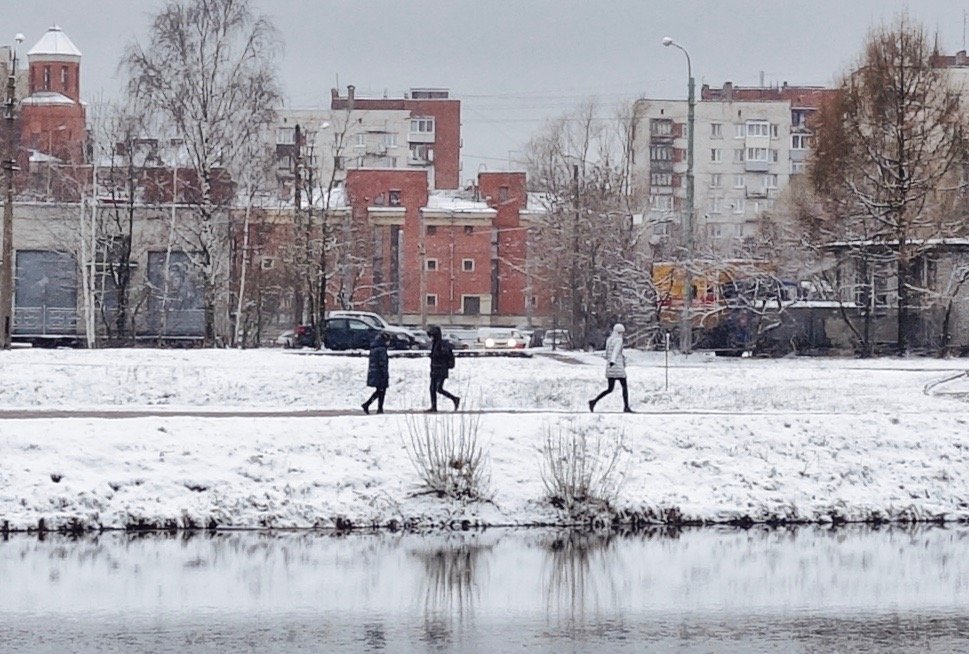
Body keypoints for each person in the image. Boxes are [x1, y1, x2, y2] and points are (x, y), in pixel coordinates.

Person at [589, 323, 633, 413]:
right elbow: (615, 352)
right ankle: (626, 407)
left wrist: (610, 362)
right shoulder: (618, 340)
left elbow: (606, 353)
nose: (622, 334)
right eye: (622, 332)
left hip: (610, 368)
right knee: (624, 387)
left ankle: (594, 401)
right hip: (617, 367)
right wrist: (613, 361)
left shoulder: (609, 340)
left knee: (610, 389)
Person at [426, 325, 460, 412]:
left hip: (441, 370)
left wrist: (437, 357)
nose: (431, 338)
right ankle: (434, 407)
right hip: (434, 369)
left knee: (438, 388)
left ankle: (455, 399)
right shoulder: (435, 344)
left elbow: (444, 356)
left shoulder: (442, 345)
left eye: (432, 336)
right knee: (432, 389)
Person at [362, 332, 391, 415]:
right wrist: (384, 374)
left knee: (379, 391)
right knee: (381, 391)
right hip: (380, 374)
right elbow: (382, 363)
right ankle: (376, 407)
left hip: (375, 372)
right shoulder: (382, 350)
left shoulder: (374, 348)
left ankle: (372, 406)